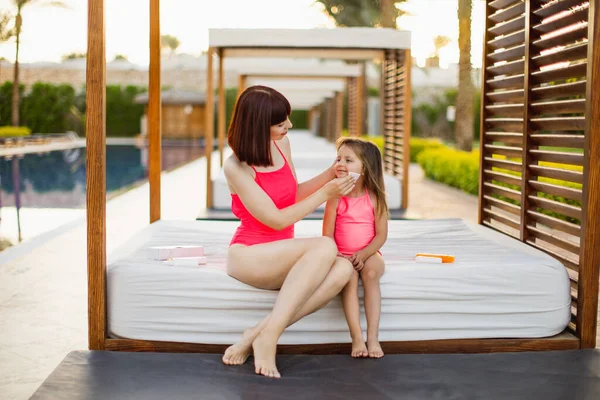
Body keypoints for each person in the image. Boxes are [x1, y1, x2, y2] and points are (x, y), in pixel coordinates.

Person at [221, 85, 355, 378]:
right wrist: (325, 194)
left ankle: (257, 332)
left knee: (344, 269)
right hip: (249, 255)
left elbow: (291, 196)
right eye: (281, 123)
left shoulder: (282, 144)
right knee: (323, 246)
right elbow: (277, 220)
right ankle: (269, 338)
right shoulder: (235, 167)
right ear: (258, 125)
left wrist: (330, 174)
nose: (289, 126)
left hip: (282, 254)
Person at [322, 137, 389, 359]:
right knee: (348, 278)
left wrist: (364, 254)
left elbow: (381, 236)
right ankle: (357, 337)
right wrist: (338, 255)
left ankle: (373, 337)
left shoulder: (374, 197)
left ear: (366, 166)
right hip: (341, 255)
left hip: (369, 252)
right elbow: (327, 235)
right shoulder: (335, 197)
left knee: (370, 273)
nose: (340, 163)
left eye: (348, 160)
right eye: (338, 158)